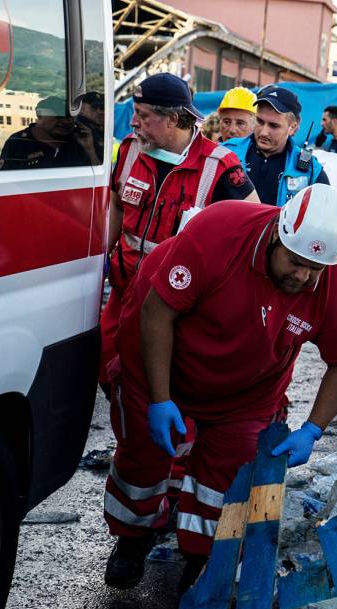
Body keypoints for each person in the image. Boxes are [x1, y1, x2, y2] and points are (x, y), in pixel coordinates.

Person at [102, 185, 337, 590]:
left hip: (248, 395)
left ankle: (205, 562)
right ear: (278, 234)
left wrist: (314, 428)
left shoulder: (336, 286)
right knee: (143, 461)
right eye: (295, 262)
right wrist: (159, 398)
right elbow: (157, 314)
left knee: (226, 482)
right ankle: (132, 539)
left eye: (315, 267)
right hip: (159, 364)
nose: (303, 276)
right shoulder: (219, 233)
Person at [100, 73, 257, 393]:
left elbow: (252, 229)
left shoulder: (220, 165)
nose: (133, 123)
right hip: (123, 289)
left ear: (173, 119)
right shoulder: (130, 150)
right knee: (106, 366)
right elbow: (117, 204)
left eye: (143, 115)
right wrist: (103, 254)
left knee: (158, 383)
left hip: (175, 304)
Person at [222, 84, 329, 207]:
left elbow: (325, 214)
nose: (263, 132)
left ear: (293, 128)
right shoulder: (226, 152)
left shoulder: (310, 170)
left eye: (274, 126)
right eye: (260, 121)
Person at [0, 96, 97, 169]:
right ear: (40, 115)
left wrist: (90, 149)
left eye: (70, 117)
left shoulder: (79, 141)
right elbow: (8, 180)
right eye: (58, 116)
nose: (65, 122)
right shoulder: (18, 142)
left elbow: (97, 174)